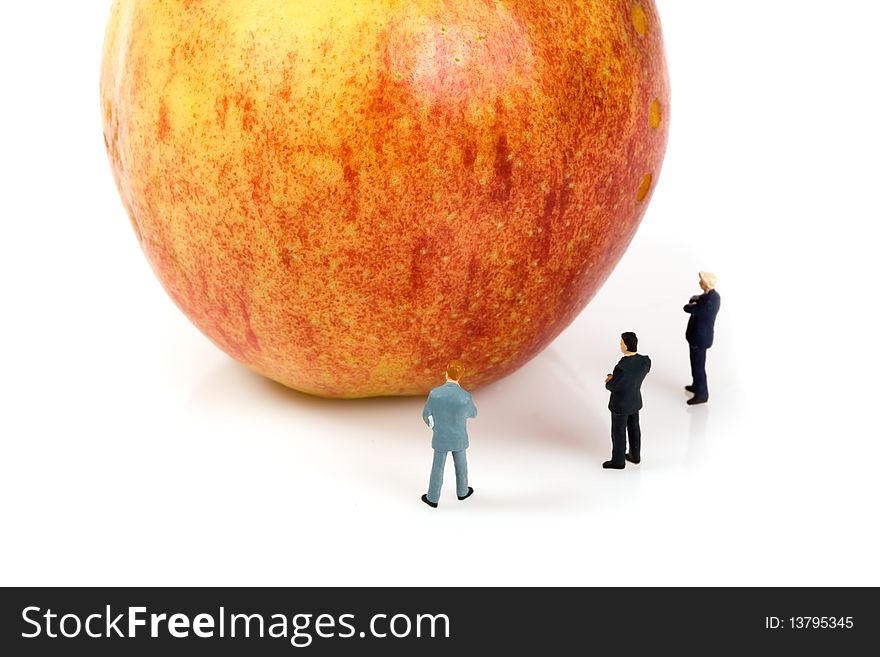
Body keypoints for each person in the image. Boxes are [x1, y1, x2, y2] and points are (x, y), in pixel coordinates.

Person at [421, 360, 477, 508]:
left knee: (437, 467)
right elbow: (473, 413)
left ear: (446, 373)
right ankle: (463, 492)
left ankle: (432, 498)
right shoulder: (465, 397)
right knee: (461, 466)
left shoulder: (435, 394)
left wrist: (433, 424)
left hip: (440, 438)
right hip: (459, 439)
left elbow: (426, 414)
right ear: (461, 376)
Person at [604, 332, 651, 469]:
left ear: (626, 346)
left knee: (618, 432)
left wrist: (609, 380)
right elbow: (637, 375)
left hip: (620, 405)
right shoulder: (644, 361)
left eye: (621, 343)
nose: (620, 345)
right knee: (634, 428)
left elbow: (613, 386)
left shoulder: (622, 367)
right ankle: (635, 455)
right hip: (634, 401)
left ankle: (618, 461)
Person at [683, 272, 721, 405]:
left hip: (699, 338)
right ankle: (696, 385)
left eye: (702, 281)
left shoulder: (709, 301)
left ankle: (702, 394)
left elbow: (689, 308)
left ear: (706, 284)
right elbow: (695, 298)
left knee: (699, 367)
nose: (700, 283)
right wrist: (695, 300)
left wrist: (692, 304)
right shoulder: (711, 296)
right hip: (696, 337)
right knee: (695, 365)